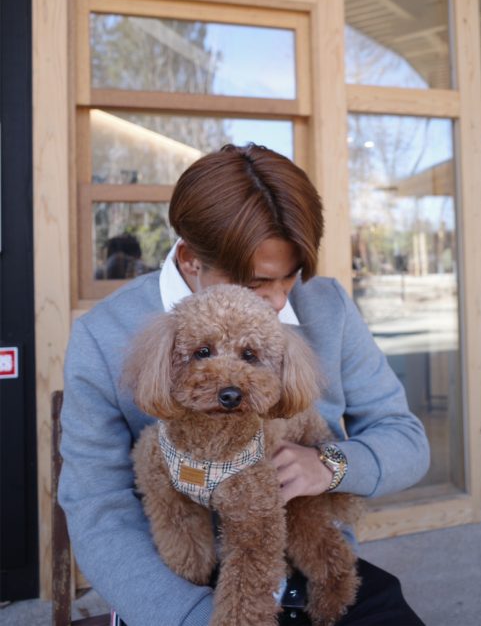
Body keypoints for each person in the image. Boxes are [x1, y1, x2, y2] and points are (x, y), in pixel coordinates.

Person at [60, 144, 430, 626]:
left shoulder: (327, 306)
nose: (279, 302)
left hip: (310, 570)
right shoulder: (103, 336)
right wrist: (193, 616)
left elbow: (405, 437)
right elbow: (97, 510)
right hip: (176, 591)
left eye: (290, 278)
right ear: (191, 259)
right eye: (258, 284)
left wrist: (328, 466)